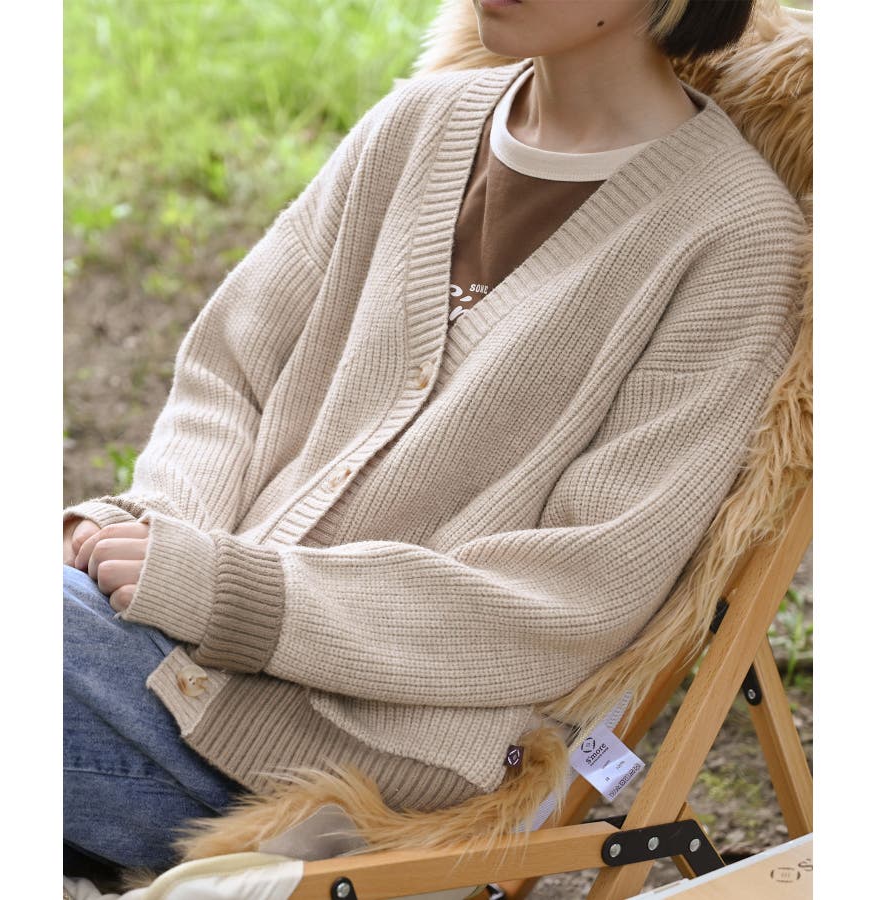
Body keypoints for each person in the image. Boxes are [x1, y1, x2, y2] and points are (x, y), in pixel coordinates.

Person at [64, 0, 804, 877]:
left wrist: (239, 596)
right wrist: (149, 527)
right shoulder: (417, 124)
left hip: (379, 747)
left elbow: (576, 595)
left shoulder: (735, 237)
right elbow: (231, 373)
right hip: (170, 649)